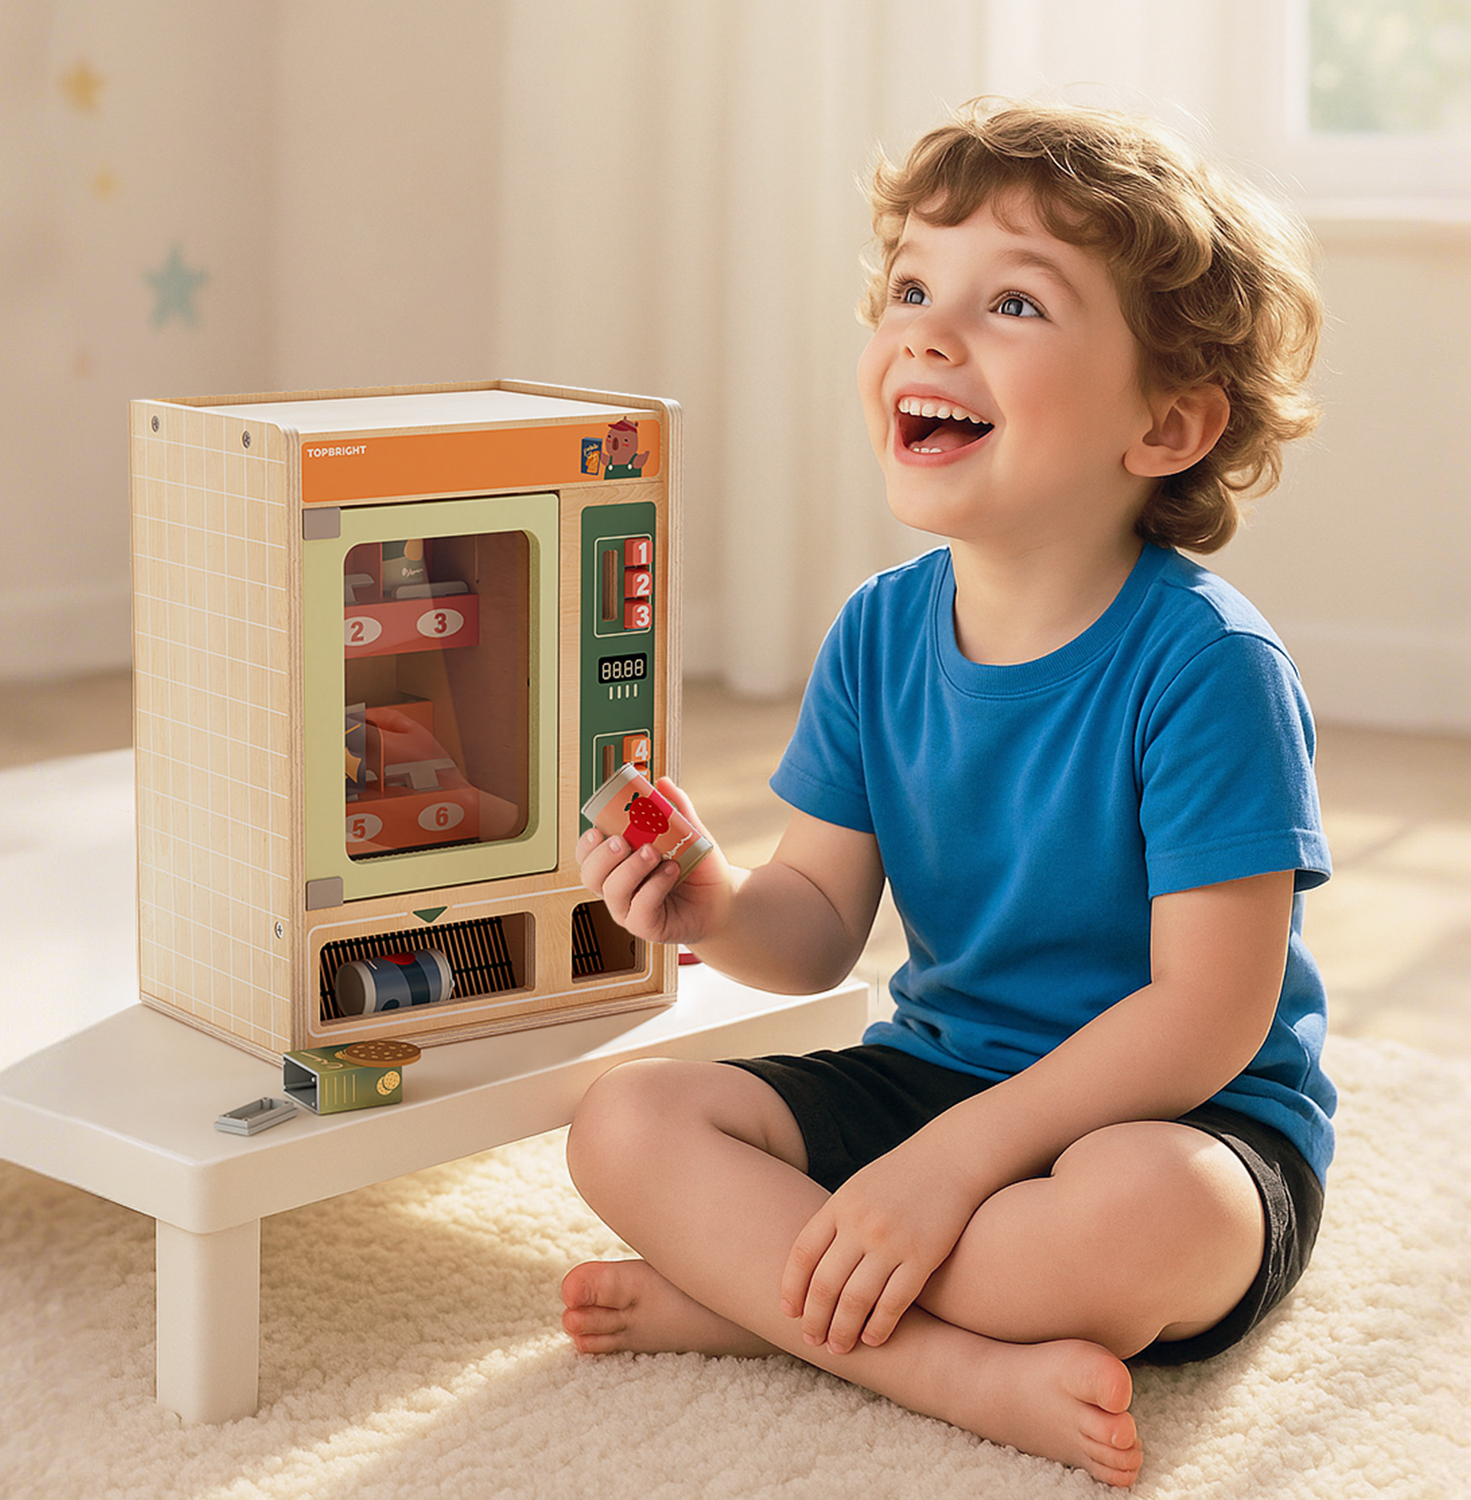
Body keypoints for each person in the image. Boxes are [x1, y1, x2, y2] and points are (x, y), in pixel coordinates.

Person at [561, 98, 1332, 1489]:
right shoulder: (877, 631)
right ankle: (947, 1366)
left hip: (1184, 1122)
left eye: (1014, 303)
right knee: (624, 1125)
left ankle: (758, 1298)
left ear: (1167, 423)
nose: (927, 333)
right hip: (941, 1075)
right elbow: (814, 926)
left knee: (1141, 1218)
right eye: (913, 287)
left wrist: (947, 1168)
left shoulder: (1210, 666)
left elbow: (1206, 1017)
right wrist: (713, 903)